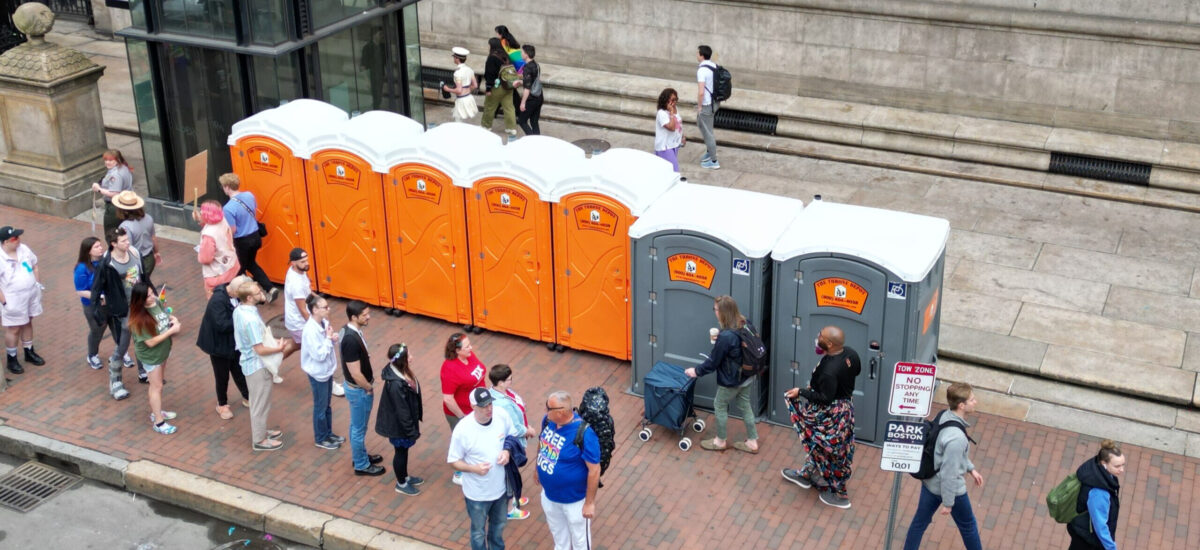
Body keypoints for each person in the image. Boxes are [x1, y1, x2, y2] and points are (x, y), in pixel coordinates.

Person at [781, 325, 862, 509]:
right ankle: (808, 473)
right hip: (844, 407)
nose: (818, 338)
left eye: (821, 336)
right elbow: (855, 372)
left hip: (831, 414)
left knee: (831, 450)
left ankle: (840, 495)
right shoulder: (851, 353)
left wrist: (800, 392)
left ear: (830, 344)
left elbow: (825, 398)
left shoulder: (829, 371)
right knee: (818, 445)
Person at [902, 382, 985, 549]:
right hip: (950, 489)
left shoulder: (944, 415)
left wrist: (971, 469)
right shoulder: (957, 438)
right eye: (972, 400)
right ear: (962, 405)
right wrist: (948, 503)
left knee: (919, 523)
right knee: (968, 526)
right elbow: (949, 473)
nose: (975, 402)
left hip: (930, 483)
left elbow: (946, 454)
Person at [684, 296, 759, 454]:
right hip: (747, 375)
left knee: (719, 405)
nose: (715, 312)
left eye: (716, 309)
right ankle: (752, 441)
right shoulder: (745, 322)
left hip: (732, 380)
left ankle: (720, 441)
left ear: (723, 312)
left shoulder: (726, 337)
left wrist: (696, 371)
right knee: (745, 406)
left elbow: (713, 362)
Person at [448, 387, 513, 550]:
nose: (489, 409)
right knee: (478, 533)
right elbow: (453, 460)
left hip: (500, 490)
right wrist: (473, 468)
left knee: (498, 529)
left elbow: (512, 437)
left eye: (490, 404)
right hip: (477, 494)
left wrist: (507, 451)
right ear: (473, 406)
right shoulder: (463, 430)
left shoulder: (501, 416)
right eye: (484, 406)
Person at [536, 390, 601, 550]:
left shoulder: (585, 434)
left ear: (561, 412)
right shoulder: (548, 421)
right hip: (549, 496)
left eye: (548, 408)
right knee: (559, 536)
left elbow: (594, 470)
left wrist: (589, 503)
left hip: (574, 501)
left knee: (580, 541)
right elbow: (542, 442)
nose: (545, 411)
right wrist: (536, 469)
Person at [232, 278, 292, 451]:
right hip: (257, 366)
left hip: (250, 364)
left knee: (259, 401)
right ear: (249, 298)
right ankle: (259, 439)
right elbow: (259, 349)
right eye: (257, 292)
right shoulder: (250, 320)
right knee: (260, 403)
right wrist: (279, 348)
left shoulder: (240, 310)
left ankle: (262, 431)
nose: (261, 293)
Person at [90, 227, 142, 399]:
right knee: (124, 342)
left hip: (140, 302)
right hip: (123, 307)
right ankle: (115, 381)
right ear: (113, 244)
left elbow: (143, 276)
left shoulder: (134, 252)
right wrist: (98, 309)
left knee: (143, 336)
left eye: (128, 239)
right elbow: (97, 287)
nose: (128, 243)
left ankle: (144, 372)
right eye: (124, 241)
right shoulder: (108, 263)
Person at [129, 282, 181, 435]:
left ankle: (156, 411)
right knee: (156, 386)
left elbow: (164, 315)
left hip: (163, 351)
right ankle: (158, 421)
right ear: (140, 300)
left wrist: (172, 319)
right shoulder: (138, 320)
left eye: (152, 293)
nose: (153, 297)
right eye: (148, 296)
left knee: (158, 384)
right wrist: (172, 331)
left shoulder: (156, 302)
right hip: (152, 356)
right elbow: (150, 342)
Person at [341, 299, 385, 476]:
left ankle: (360, 455)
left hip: (355, 389)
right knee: (359, 429)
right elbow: (356, 373)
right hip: (359, 390)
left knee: (356, 426)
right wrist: (368, 387)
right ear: (354, 317)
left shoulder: (348, 331)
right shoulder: (351, 340)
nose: (368, 317)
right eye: (364, 315)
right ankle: (361, 464)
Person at [197, 276, 251, 420]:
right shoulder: (217, 301)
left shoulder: (236, 296)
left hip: (233, 342)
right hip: (218, 344)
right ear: (236, 291)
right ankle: (222, 404)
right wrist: (241, 321)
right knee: (222, 375)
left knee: (239, 369)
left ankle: (247, 396)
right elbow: (222, 325)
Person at [375, 343, 424, 496]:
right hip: (399, 427)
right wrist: (411, 431)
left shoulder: (400, 372)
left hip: (403, 424)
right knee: (400, 452)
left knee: (403, 451)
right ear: (402, 360)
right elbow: (402, 410)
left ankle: (405, 476)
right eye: (408, 355)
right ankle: (401, 483)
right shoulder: (396, 384)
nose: (411, 357)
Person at [220, 173, 277, 303]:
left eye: (223, 186)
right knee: (251, 263)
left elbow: (233, 230)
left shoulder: (228, 208)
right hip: (256, 236)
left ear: (227, 187)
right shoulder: (249, 196)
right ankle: (270, 288)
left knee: (239, 269)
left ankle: (243, 295)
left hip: (242, 241)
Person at [441, 332, 488, 484]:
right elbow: (448, 398)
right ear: (457, 350)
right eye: (467, 346)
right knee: (463, 441)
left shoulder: (469, 355)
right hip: (460, 413)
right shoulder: (449, 369)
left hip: (475, 407)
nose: (471, 348)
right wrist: (462, 417)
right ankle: (459, 473)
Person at [489, 364, 534, 520]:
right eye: (509, 379)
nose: (511, 381)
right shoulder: (501, 403)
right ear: (500, 382)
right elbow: (515, 427)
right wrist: (528, 430)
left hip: (510, 441)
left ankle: (514, 496)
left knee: (511, 474)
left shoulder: (498, 392)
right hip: (509, 443)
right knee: (508, 475)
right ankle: (509, 509)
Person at [300, 293, 344, 450]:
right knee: (321, 406)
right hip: (318, 373)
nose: (328, 309)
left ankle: (328, 433)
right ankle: (320, 437)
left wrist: (332, 338)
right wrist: (328, 339)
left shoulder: (324, 322)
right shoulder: (310, 331)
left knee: (327, 405)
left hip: (326, 370)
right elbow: (318, 355)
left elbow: (327, 341)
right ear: (315, 310)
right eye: (325, 307)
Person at [0, 226, 44, 375]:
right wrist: (4, 301)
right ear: (5, 242)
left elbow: (34, 265)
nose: (19, 240)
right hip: (13, 299)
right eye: (15, 238)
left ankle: (29, 351)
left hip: (30, 294)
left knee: (27, 322)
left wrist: (37, 284)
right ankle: (12, 358)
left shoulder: (24, 249)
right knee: (14, 328)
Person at [1067, 440, 1125, 550]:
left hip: (1081, 530)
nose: (1122, 470)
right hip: (1087, 538)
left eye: (1123, 464)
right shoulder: (1099, 493)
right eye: (1117, 466)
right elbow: (1100, 526)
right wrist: (1111, 547)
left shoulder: (1097, 469)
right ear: (1104, 464)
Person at [74, 236, 111, 370]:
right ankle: (92, 354)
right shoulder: (81, 269)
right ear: (88, 251)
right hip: (92, 305)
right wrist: (99, 297)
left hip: (108, 302)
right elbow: (81, 291)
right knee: (96, 329)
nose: (100, 248)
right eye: (96, 247)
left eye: (100, 246)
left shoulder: (104, 261)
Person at [193, 199, 240, 300]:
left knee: (216, 301)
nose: (200, 213)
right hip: (231, 264)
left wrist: (200, 252)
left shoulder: (209, 235)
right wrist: (200, 219)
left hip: (217, 273)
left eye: (202, 213)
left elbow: (205, 259)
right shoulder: (222, 219)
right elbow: (211, 223)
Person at [114, 191, 161, 288]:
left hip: (134, 263)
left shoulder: (125, 226)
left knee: (131, 288)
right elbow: (153, 238)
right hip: (149, 258)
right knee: (144, 284)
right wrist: (156, 252)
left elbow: (127, 249)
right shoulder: (148, 218)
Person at [481, 37, 519, 141]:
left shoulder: (492, 57)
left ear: (492, 46)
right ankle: (511, 128)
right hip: (509, 86)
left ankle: (486, 125)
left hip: (497, 87)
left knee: (489, 106)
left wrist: (488, 88)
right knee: (509, 107)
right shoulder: (505, 55)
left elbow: (490, 74)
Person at [91, 149, 134, 235]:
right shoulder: (124, 168)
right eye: (106, 160)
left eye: (110, 160)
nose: (107, 162)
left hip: (115, 207)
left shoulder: (116, 174)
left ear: (117, 160)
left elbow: (115, 194)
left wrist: (99, 189)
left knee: (111, 233)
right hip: (126, 203)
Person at [282, 248, 311, 361]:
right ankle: (271, 364)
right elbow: (303, 310)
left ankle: (272, 362)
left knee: (297, 344)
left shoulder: (297, 270)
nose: (306, 264)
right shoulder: (296, 283)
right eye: (303, 262)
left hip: (296, 322)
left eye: (307, 260)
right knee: (311, 346)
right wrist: (315, 325)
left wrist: (317, 298)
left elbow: (307, 290)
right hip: (299, 323)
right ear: (293, 263)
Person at [696, 45, 720, 170]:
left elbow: (701, 92)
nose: (696, 55)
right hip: (715, 103)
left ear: (701, 55)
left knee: (708, 132)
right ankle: (709, 152)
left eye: (697, 53)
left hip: (706, 105)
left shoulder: (701, 71)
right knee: (701, 124)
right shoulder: (713, 66)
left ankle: (714, 160)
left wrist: (699, 107)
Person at [444, 47, 478, 123]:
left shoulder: (457, 73)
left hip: (461, 100)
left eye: (454, 57)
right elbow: (475, 85)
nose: (454, 59)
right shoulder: (470, 70)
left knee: (458, 122)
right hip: (469, 97)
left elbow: (459, 90)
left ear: (457, 59)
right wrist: (467, 90)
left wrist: (447, 89)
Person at [654, 88, 685, 172]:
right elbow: (671, 128)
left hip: (674, 145)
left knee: (666, 171)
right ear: (666, 100)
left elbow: (679, 124)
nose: (674, 102)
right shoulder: (662, 113)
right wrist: (671, 114)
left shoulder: (676, 108)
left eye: (676, 100)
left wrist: (682, 137)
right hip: (665, 147)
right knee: (674, 171)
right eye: (672, 100)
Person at [515, 45, 543, 136]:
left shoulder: (527, 68)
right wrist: (520, 81)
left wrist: (523, 103)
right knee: (534, 121)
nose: (521, 54)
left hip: (531, 99)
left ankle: (531, 140)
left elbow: (527, 88)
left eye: (522, 52)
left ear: (526, 55)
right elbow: (533, 81)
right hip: (539, 97)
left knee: (522, 121)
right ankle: (537, 141)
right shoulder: (536, 65)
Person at [360, 27, 386, 110]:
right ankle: (376, 110)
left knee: (379, 95)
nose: (381, 36)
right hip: (372, 76)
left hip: (380, 75)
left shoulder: (382, 47)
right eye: (380, 34)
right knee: (375, 96)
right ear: (374, 35)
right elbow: (363, 66)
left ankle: (377, 108)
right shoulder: (367, 48)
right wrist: (366, 80)